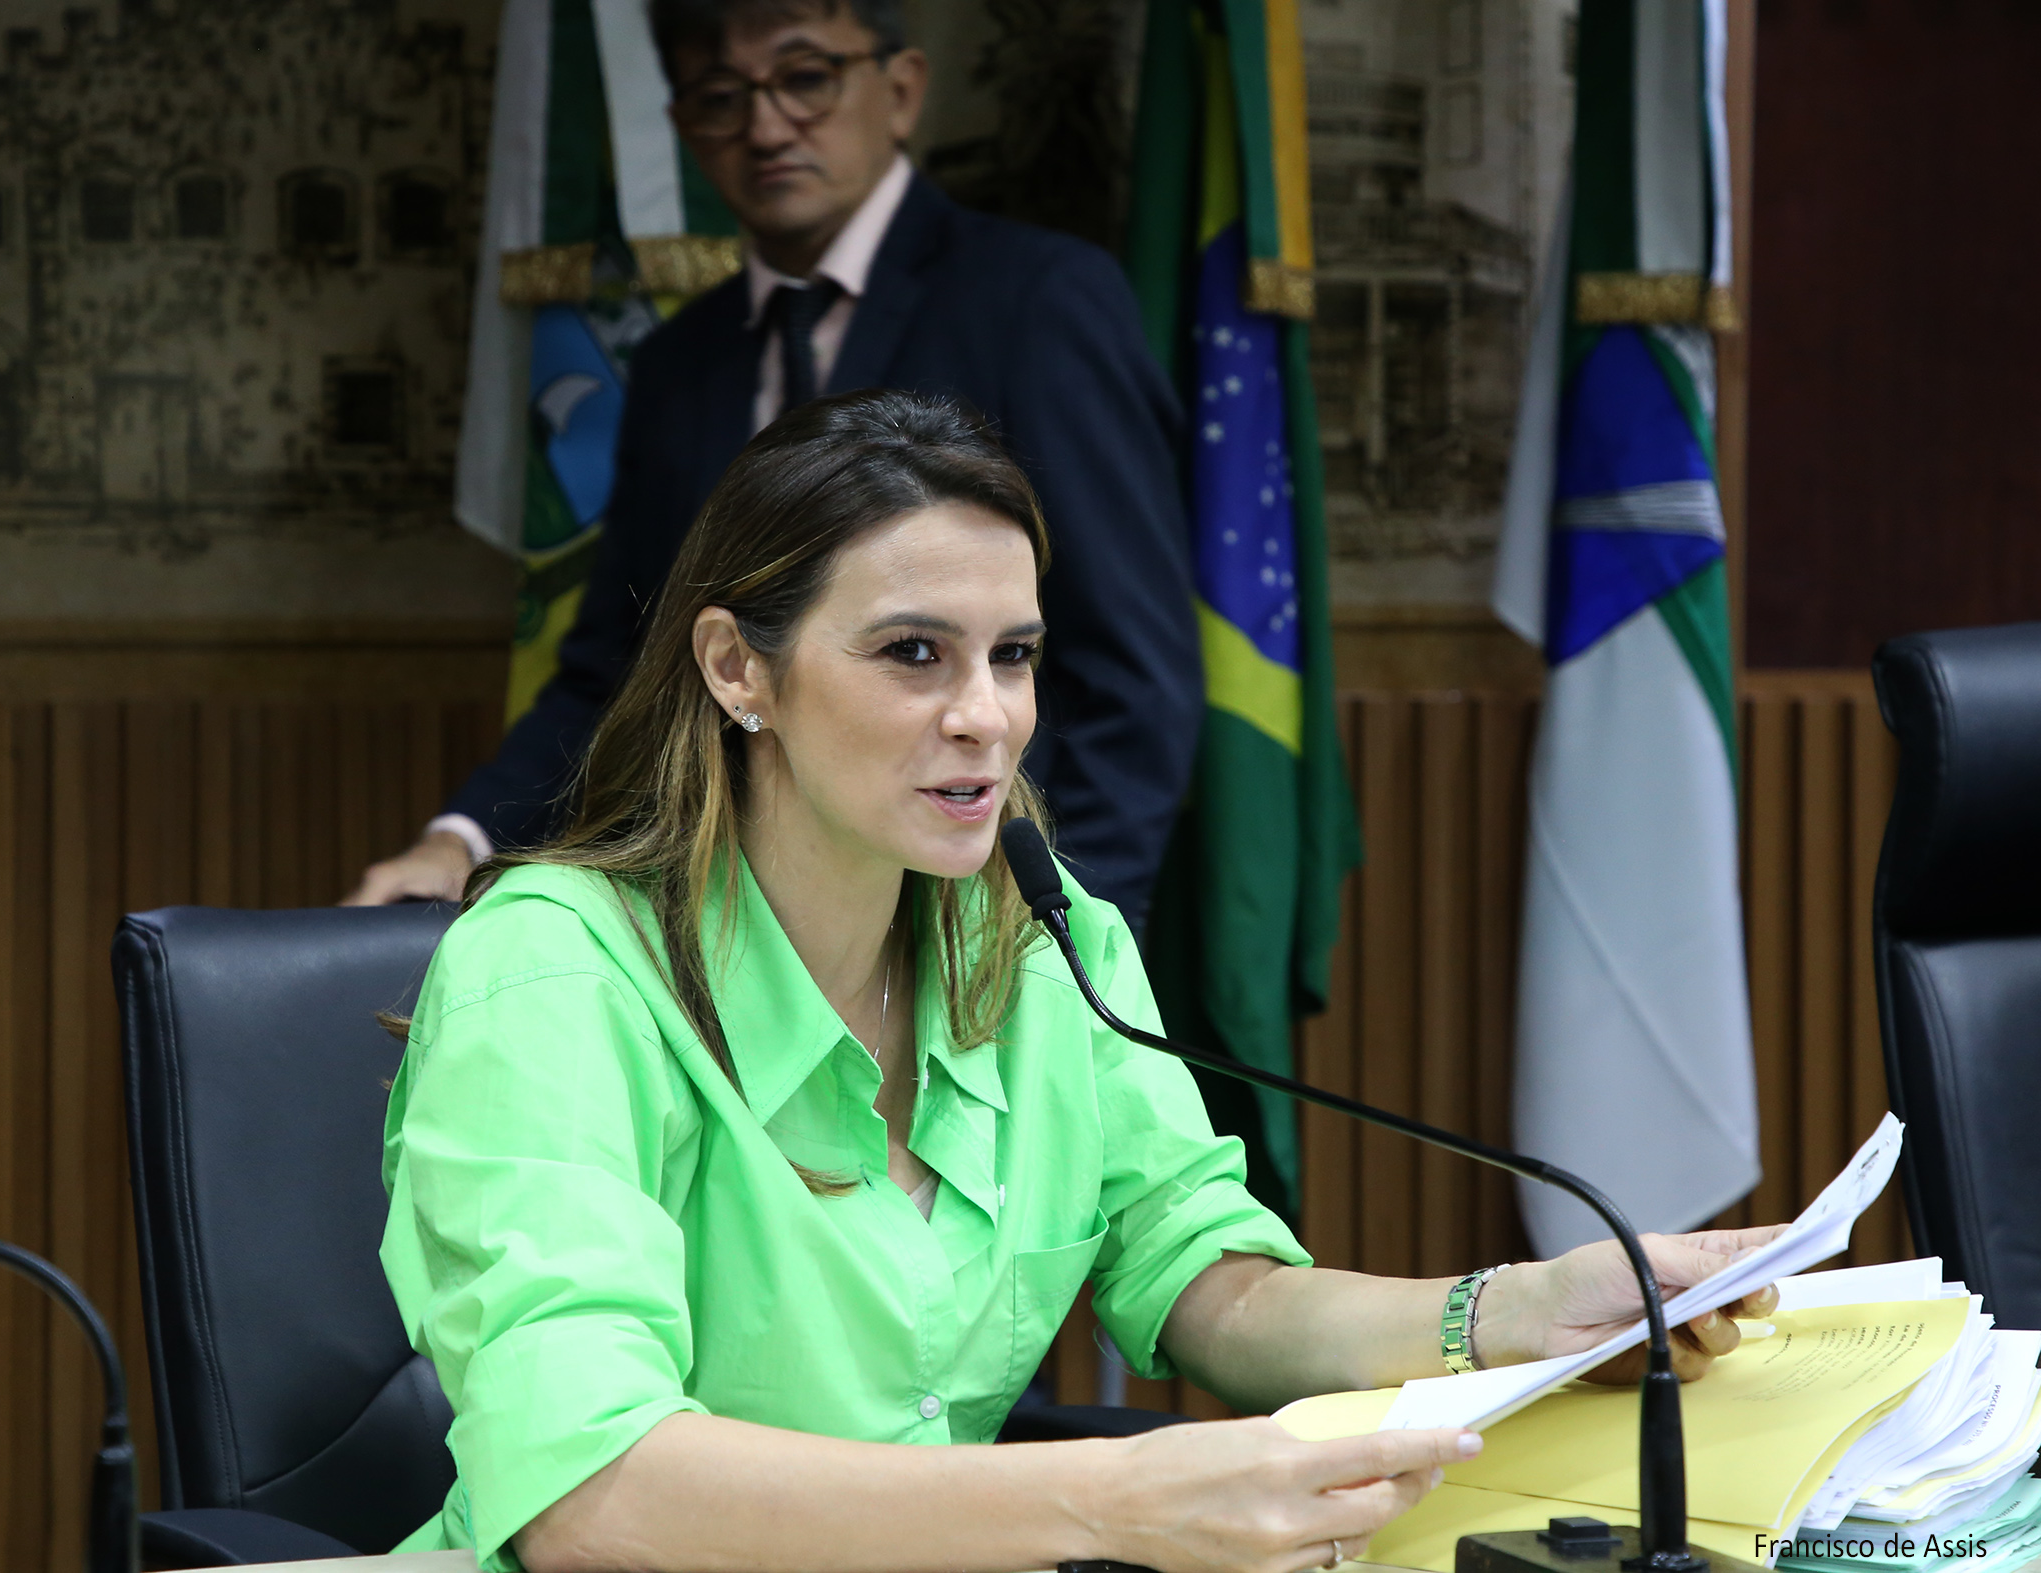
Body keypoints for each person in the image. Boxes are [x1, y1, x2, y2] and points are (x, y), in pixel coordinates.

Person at [380, 392, 1783, 1573]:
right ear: (739, 668)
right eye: (913, 654)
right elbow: (591, 1498)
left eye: (1014, 656)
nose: (985, 717)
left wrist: (1514, 1310)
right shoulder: (553, 971)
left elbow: (1207, 1285)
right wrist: (1112, 1502)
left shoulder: (1045, 940)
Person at [345, 0, 1200, 931]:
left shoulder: (1038, 302)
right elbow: (623, 666)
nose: (764, 127)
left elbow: (1135, 681)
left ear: (901, 90)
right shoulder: (679, 362)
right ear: (682, 125)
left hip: (981, 916)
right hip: (725, 924)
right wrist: (462, 837)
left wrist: (1057, 943)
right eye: (721, 96)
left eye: (805, 78)